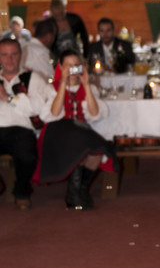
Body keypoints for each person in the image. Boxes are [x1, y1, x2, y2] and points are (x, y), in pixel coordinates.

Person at [37, 49, 115, 210]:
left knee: (97, 152)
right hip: (58, 131)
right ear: (61, 66)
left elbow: (94, 114)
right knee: (81, 147)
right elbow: (53, 113)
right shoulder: (52, 88)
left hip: (81, 131)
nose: (73, 70)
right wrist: (63, 84)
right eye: (69, 66)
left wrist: (86, 84)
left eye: (76, 65)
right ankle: (75, 194)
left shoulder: (90, 88)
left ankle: (79, 191)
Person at [0, 36, 54, 209]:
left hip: (20, 130)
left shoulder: (32, 78)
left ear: (21, 55)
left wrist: (8, 98)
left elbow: (36, 108)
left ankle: (21, 191)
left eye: (14, 54)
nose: (9, 59)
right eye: (4, 55)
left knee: (27, 156)